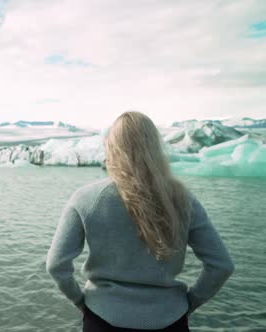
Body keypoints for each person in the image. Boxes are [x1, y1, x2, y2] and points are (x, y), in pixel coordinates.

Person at [46, 111, 234, 331]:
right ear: (155, 147)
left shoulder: (86, 198)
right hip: (170, 318)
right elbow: (221, 265)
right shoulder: (184, 200)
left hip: (102, 317)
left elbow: (56, 265)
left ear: (112, 147)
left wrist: (80, 301)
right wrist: (191, 301)